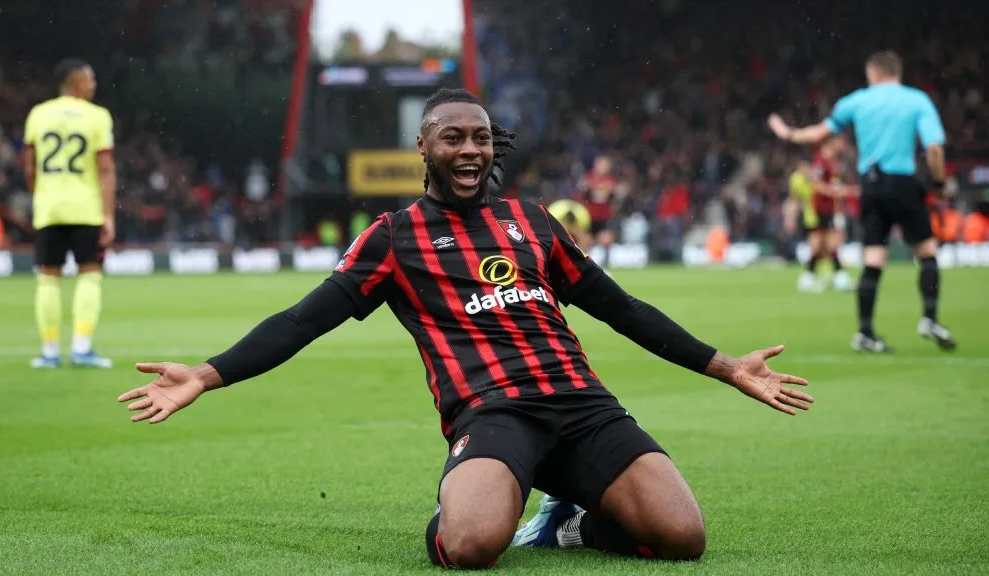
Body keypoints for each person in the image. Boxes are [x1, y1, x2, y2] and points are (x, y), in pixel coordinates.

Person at [118, 89, 813, 569]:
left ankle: (568, 521)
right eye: (453, 138)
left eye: (481, 137)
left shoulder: (536, 222)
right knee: (474, 547)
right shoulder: (395, 238)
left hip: (582, 405)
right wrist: (206, 376)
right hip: (492, 411)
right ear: (422, 146)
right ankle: (473, 498)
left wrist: (727, 366)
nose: (470, 150)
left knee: (682, 538)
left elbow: (622, 308)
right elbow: (303, 320)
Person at [768, 50, 956, 353]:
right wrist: (938, 183)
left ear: (874, 73)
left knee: (873, 259)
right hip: (903, 182)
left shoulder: (855, 101)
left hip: (870, 185)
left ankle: (866, 332)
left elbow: (819, 133)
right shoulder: (917, 101)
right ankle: (930, 317)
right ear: (897, 73)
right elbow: (934, 148)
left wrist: (786, 133)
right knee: (926, 251)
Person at [23, 58, 116, 368]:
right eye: (90, 80)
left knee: (48, 277)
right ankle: (81, 347)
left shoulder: (38, 114)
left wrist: (41, 195)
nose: (94, 85)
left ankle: (49, 352)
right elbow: (105, 169)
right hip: (87, 208)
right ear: (77, 83)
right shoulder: (98, 117)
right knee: (89, 273)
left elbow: (30, 165)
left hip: (49, 208)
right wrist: (109, 215)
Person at [787, 136, 858, 293]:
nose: (843, 145)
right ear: (832, 142)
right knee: (825, 244)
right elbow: (816, 185)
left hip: (829, 208)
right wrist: (838, 192)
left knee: (827, 244)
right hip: (821, 209)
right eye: (841, 141)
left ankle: (814, 277)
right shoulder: (821, 161)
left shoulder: (832, 161)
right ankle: (834, 277)